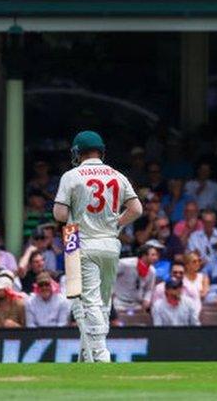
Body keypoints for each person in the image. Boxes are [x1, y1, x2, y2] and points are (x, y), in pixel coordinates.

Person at [52, 130, 142, 363]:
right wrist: (116, 224)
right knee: (103, 299)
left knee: (88, 299)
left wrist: (73, 212)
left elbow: (60, 213)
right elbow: (136, 209)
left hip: (81, 240)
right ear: (100, 150)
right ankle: (88, 350)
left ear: (77, 152)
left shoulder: (71, 176)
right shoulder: (117, 175)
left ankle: (100, 352)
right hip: (111, 243)